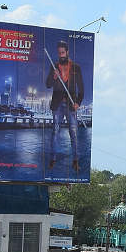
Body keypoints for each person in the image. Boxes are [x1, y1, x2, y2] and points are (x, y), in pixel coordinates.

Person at [46, 40, 84, 176]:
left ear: (67, 52)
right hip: (57, 105)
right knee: (55, 132)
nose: (61, 55)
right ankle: (52, 159)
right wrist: (54, 76)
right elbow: (48, 85)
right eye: (59, 53)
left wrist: (78, 103)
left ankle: (75, 160)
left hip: (70, 105)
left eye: (63, 52)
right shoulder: (54, 66)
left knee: (73, 134)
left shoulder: (76, 68)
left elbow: (82, 88)